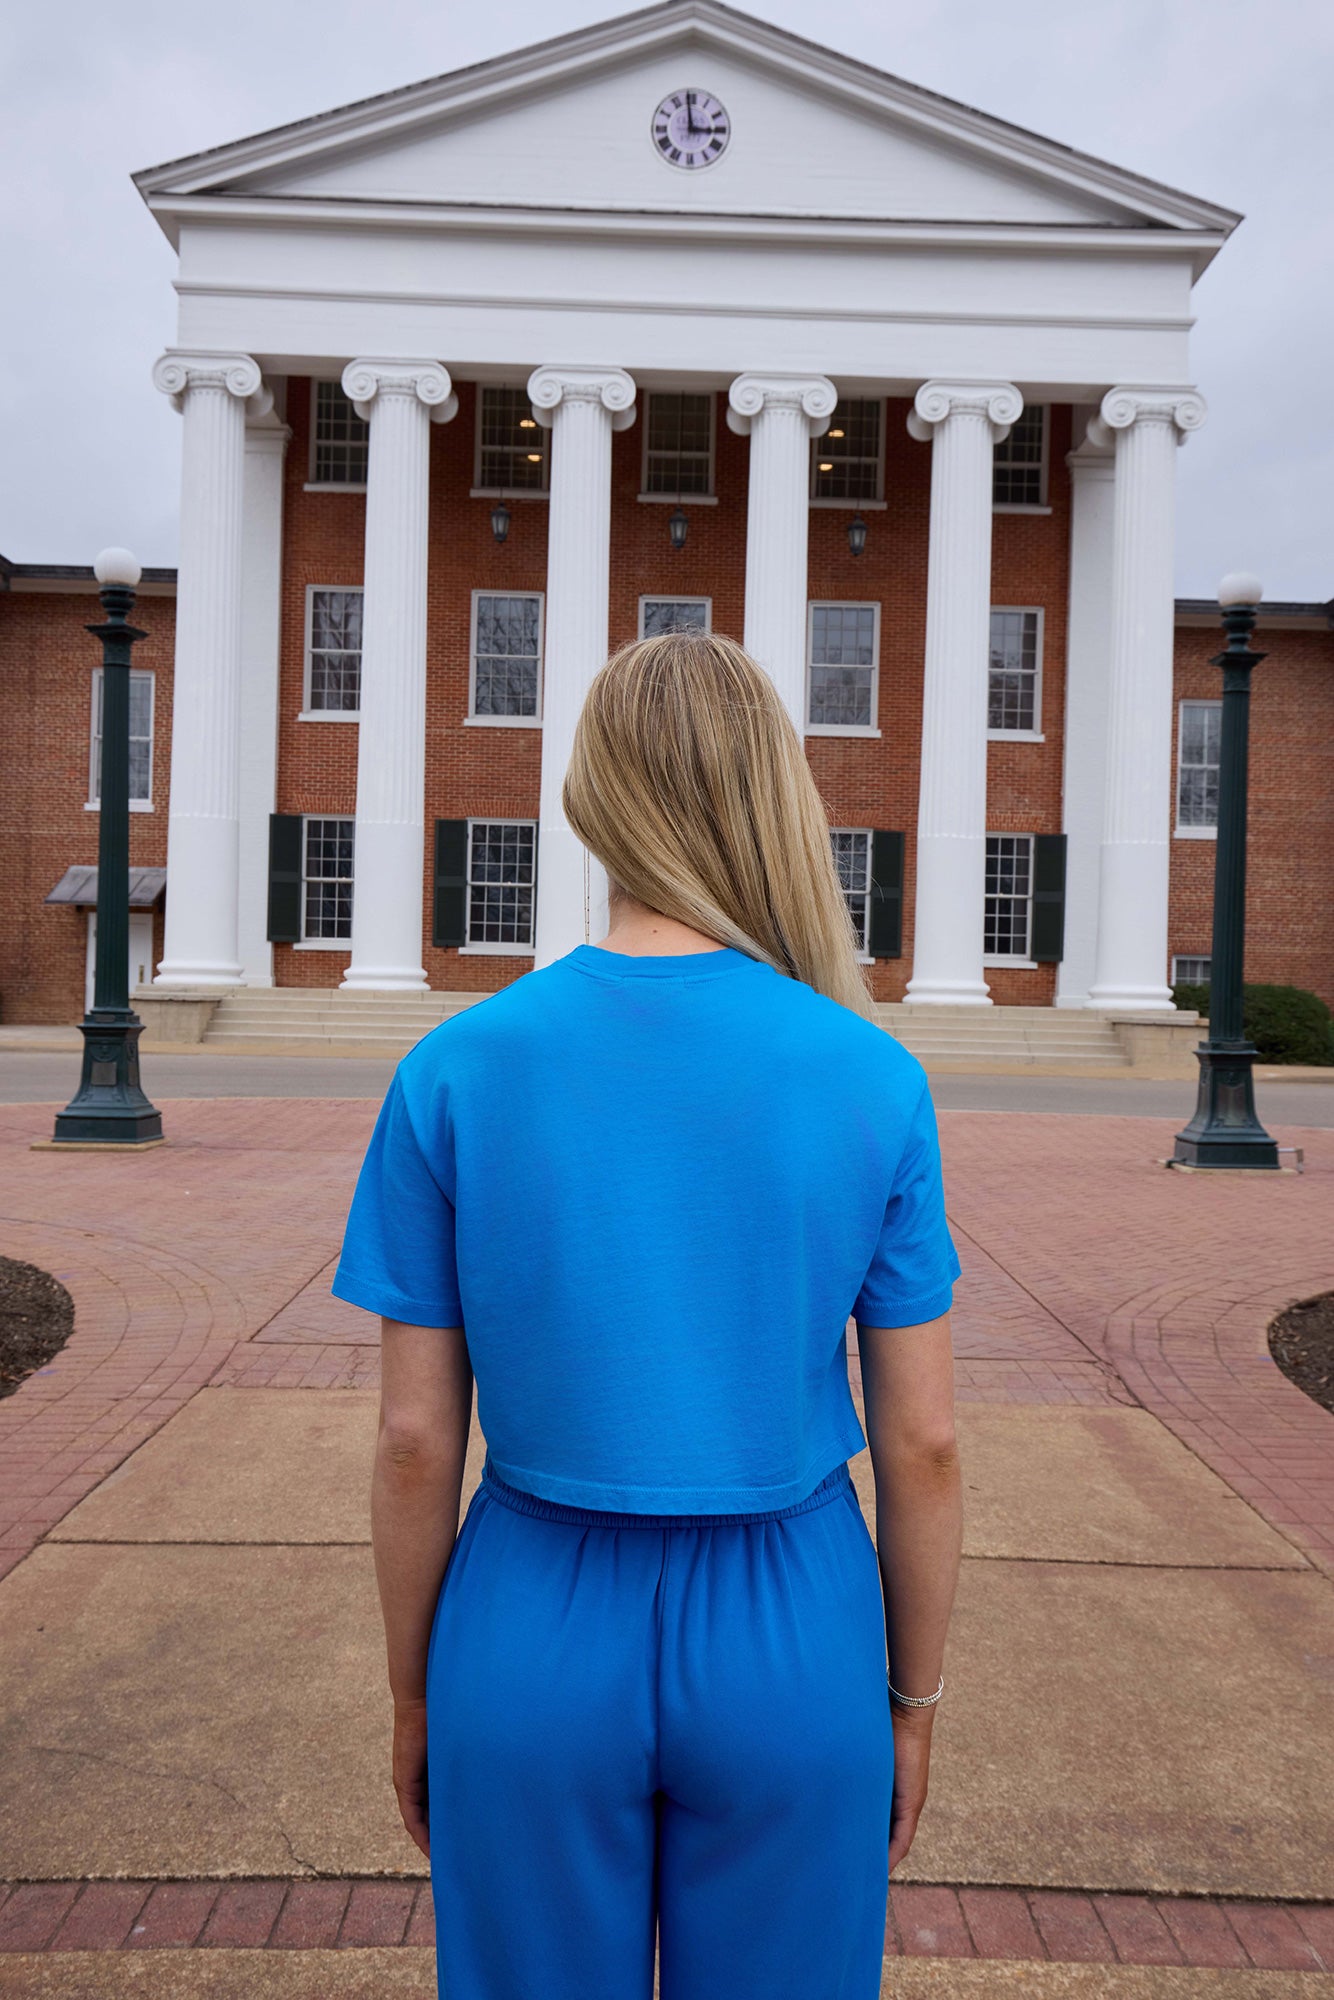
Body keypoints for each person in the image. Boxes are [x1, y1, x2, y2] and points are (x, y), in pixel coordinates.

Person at [331, 631, 964, 2000]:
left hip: (530, 1616)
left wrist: (413, 1690)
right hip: (792, 1624)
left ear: (589, 796)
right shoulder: (867, 1074)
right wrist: (909, 1704)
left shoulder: (454, 1068)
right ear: (774, 796)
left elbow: (409, 1441)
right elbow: (922, 1447)